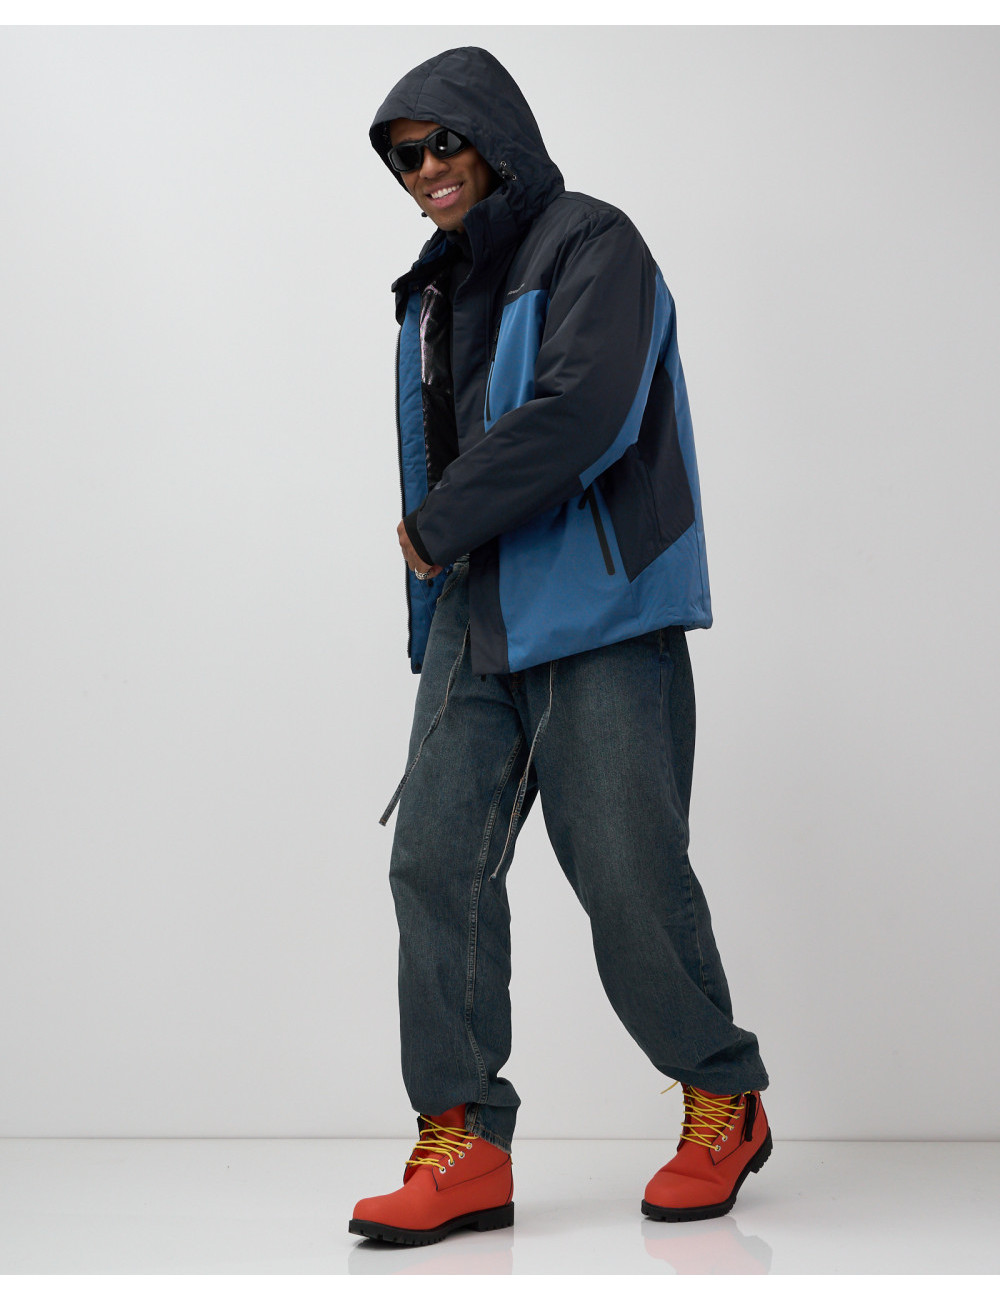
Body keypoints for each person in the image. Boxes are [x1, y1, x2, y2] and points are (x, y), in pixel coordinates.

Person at [349, 46, 771, 1247]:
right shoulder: (435, 288)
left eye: (441, 142)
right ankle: (464, 1141)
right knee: (433, 864)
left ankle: (722, 1097)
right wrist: (439, 585)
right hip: (476, 615)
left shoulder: (593, 243)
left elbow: (584, 411)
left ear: (495, 135)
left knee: (627, 874)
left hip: (599, 607)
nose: (423, 170)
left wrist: (435, 525)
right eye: (402, 157)